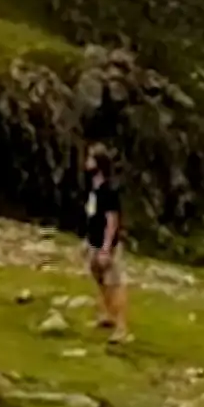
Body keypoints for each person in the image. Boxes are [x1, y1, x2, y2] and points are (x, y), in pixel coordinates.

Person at [83, 143, 131, 343]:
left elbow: (112, 221)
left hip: (106, 245)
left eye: (90, 158)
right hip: (93, 241)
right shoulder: (93, 186)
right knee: (99, 279)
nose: (86, 162)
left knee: (114, 284)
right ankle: (107, 315)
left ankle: (122, 328)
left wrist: (105, 248)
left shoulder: (109, 190)